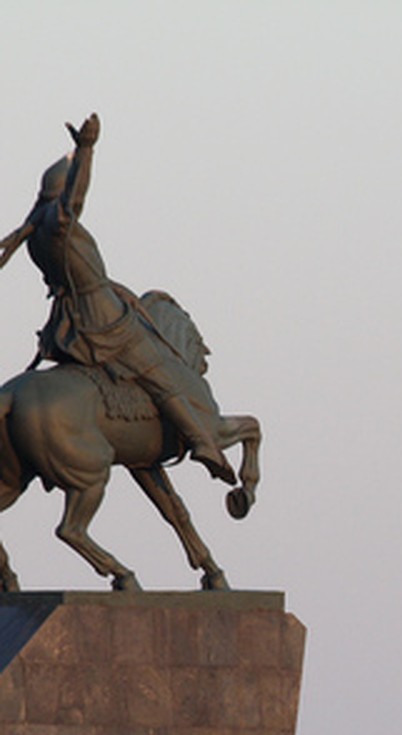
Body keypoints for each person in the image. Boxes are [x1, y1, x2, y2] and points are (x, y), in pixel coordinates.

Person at [0, 113, 235, 484]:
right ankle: (203, 442)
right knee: (160, 373)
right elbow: (75, 199)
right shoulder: (59, 224)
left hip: (68, 322)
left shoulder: (34, 229)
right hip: (102, 319)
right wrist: (87, 150)